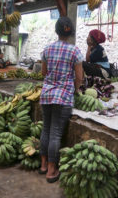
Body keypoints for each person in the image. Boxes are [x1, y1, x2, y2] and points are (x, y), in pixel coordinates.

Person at [39, 17, 84, 183]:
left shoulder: (47, 49)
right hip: (63, 96)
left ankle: (43, 165)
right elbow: (79, 77)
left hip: (47, 94)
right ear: (71, 32)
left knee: (46, 129)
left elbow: (43, 72)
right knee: (56, 133)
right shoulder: (75, 51)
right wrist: (76, 88)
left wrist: (53, 79)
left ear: (57, 31)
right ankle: (52, 170)